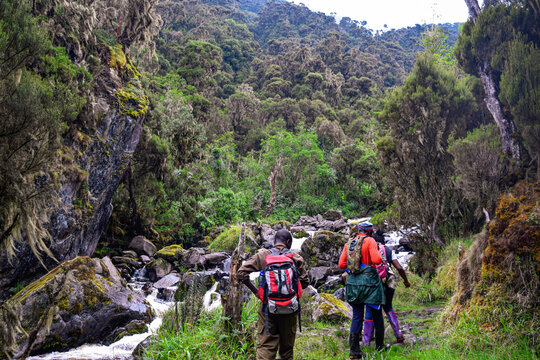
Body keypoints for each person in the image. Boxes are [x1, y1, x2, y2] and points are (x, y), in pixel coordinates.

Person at [237, 229, 309, 360]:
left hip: (267, 308)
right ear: (288, 242)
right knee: (286, 349)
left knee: (266, 346)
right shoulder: (296, 258)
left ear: (274, 241)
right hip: (290, 310)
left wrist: (257, 293)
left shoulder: (262, 256)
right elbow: (305, 282)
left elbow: (241, 273)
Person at [338, 222, 386, 359]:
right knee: (377, 314)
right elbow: (376, 260)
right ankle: (379, 346)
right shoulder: (370, 240)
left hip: (353, 284)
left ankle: (354, 351)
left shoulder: (349, 243)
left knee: (357, 315)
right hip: (370, 284)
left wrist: (352, 268)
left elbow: (341, 264)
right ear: (369, 232)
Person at [364, 229, 411, 345]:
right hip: (388, 283)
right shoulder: (388, 251)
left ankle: (366, 341)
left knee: (370, 310)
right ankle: (398, 334)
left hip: (373, 285)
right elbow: (399, 268)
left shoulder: (368, 250)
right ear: (383, 242)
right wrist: (406, 281)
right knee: (388, 307)